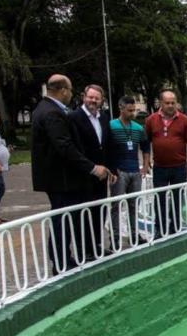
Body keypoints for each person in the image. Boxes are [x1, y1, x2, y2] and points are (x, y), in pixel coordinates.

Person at [31, 74, 111, 273]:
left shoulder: (47, 109)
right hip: (61, 180)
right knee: (62, 221)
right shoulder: (52, 113)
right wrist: (92, 168)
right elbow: (65, 147)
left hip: (61, 179)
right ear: (63, 90)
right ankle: (61, 262)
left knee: (65, 219)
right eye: (71, 90)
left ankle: (65, 259)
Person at [144, 90, 187, 236]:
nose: (170, 105)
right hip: (160, 168)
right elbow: (145, 142)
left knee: (177, 198)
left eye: (173, 102)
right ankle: (160, 230)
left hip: (179, 167)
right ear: (160, 103)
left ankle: (175, 228)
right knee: (159, 199)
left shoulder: (184, 120)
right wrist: (146, 159)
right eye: (167, 103)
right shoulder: (151, 120)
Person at [69, 84, 111, 256]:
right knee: (83, 214)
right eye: (90, 97)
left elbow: (106, 146)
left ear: (102, 101)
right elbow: (74, 148)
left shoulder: (104, 118)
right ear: (83, 97)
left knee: (99, 211)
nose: (93, 100)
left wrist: (110, 169)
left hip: (101, 176)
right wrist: (90, 168)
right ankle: (83, 251)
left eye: (97, 98)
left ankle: (96, 246)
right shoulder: (74, 117)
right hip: (83, 175)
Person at [107, 95, 151, 245]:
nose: (132, 113)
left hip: (135, 170)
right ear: (121, 108)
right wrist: (111, 169)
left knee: (134, 204)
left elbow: (145, 147)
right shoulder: (111, 126)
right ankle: (115, 237)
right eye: (129, 110)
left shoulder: (138, 128)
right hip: (119, 171)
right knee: (116, 205)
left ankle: (134, 234)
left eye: (134, 110)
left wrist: (145, 165)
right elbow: (106, 148)